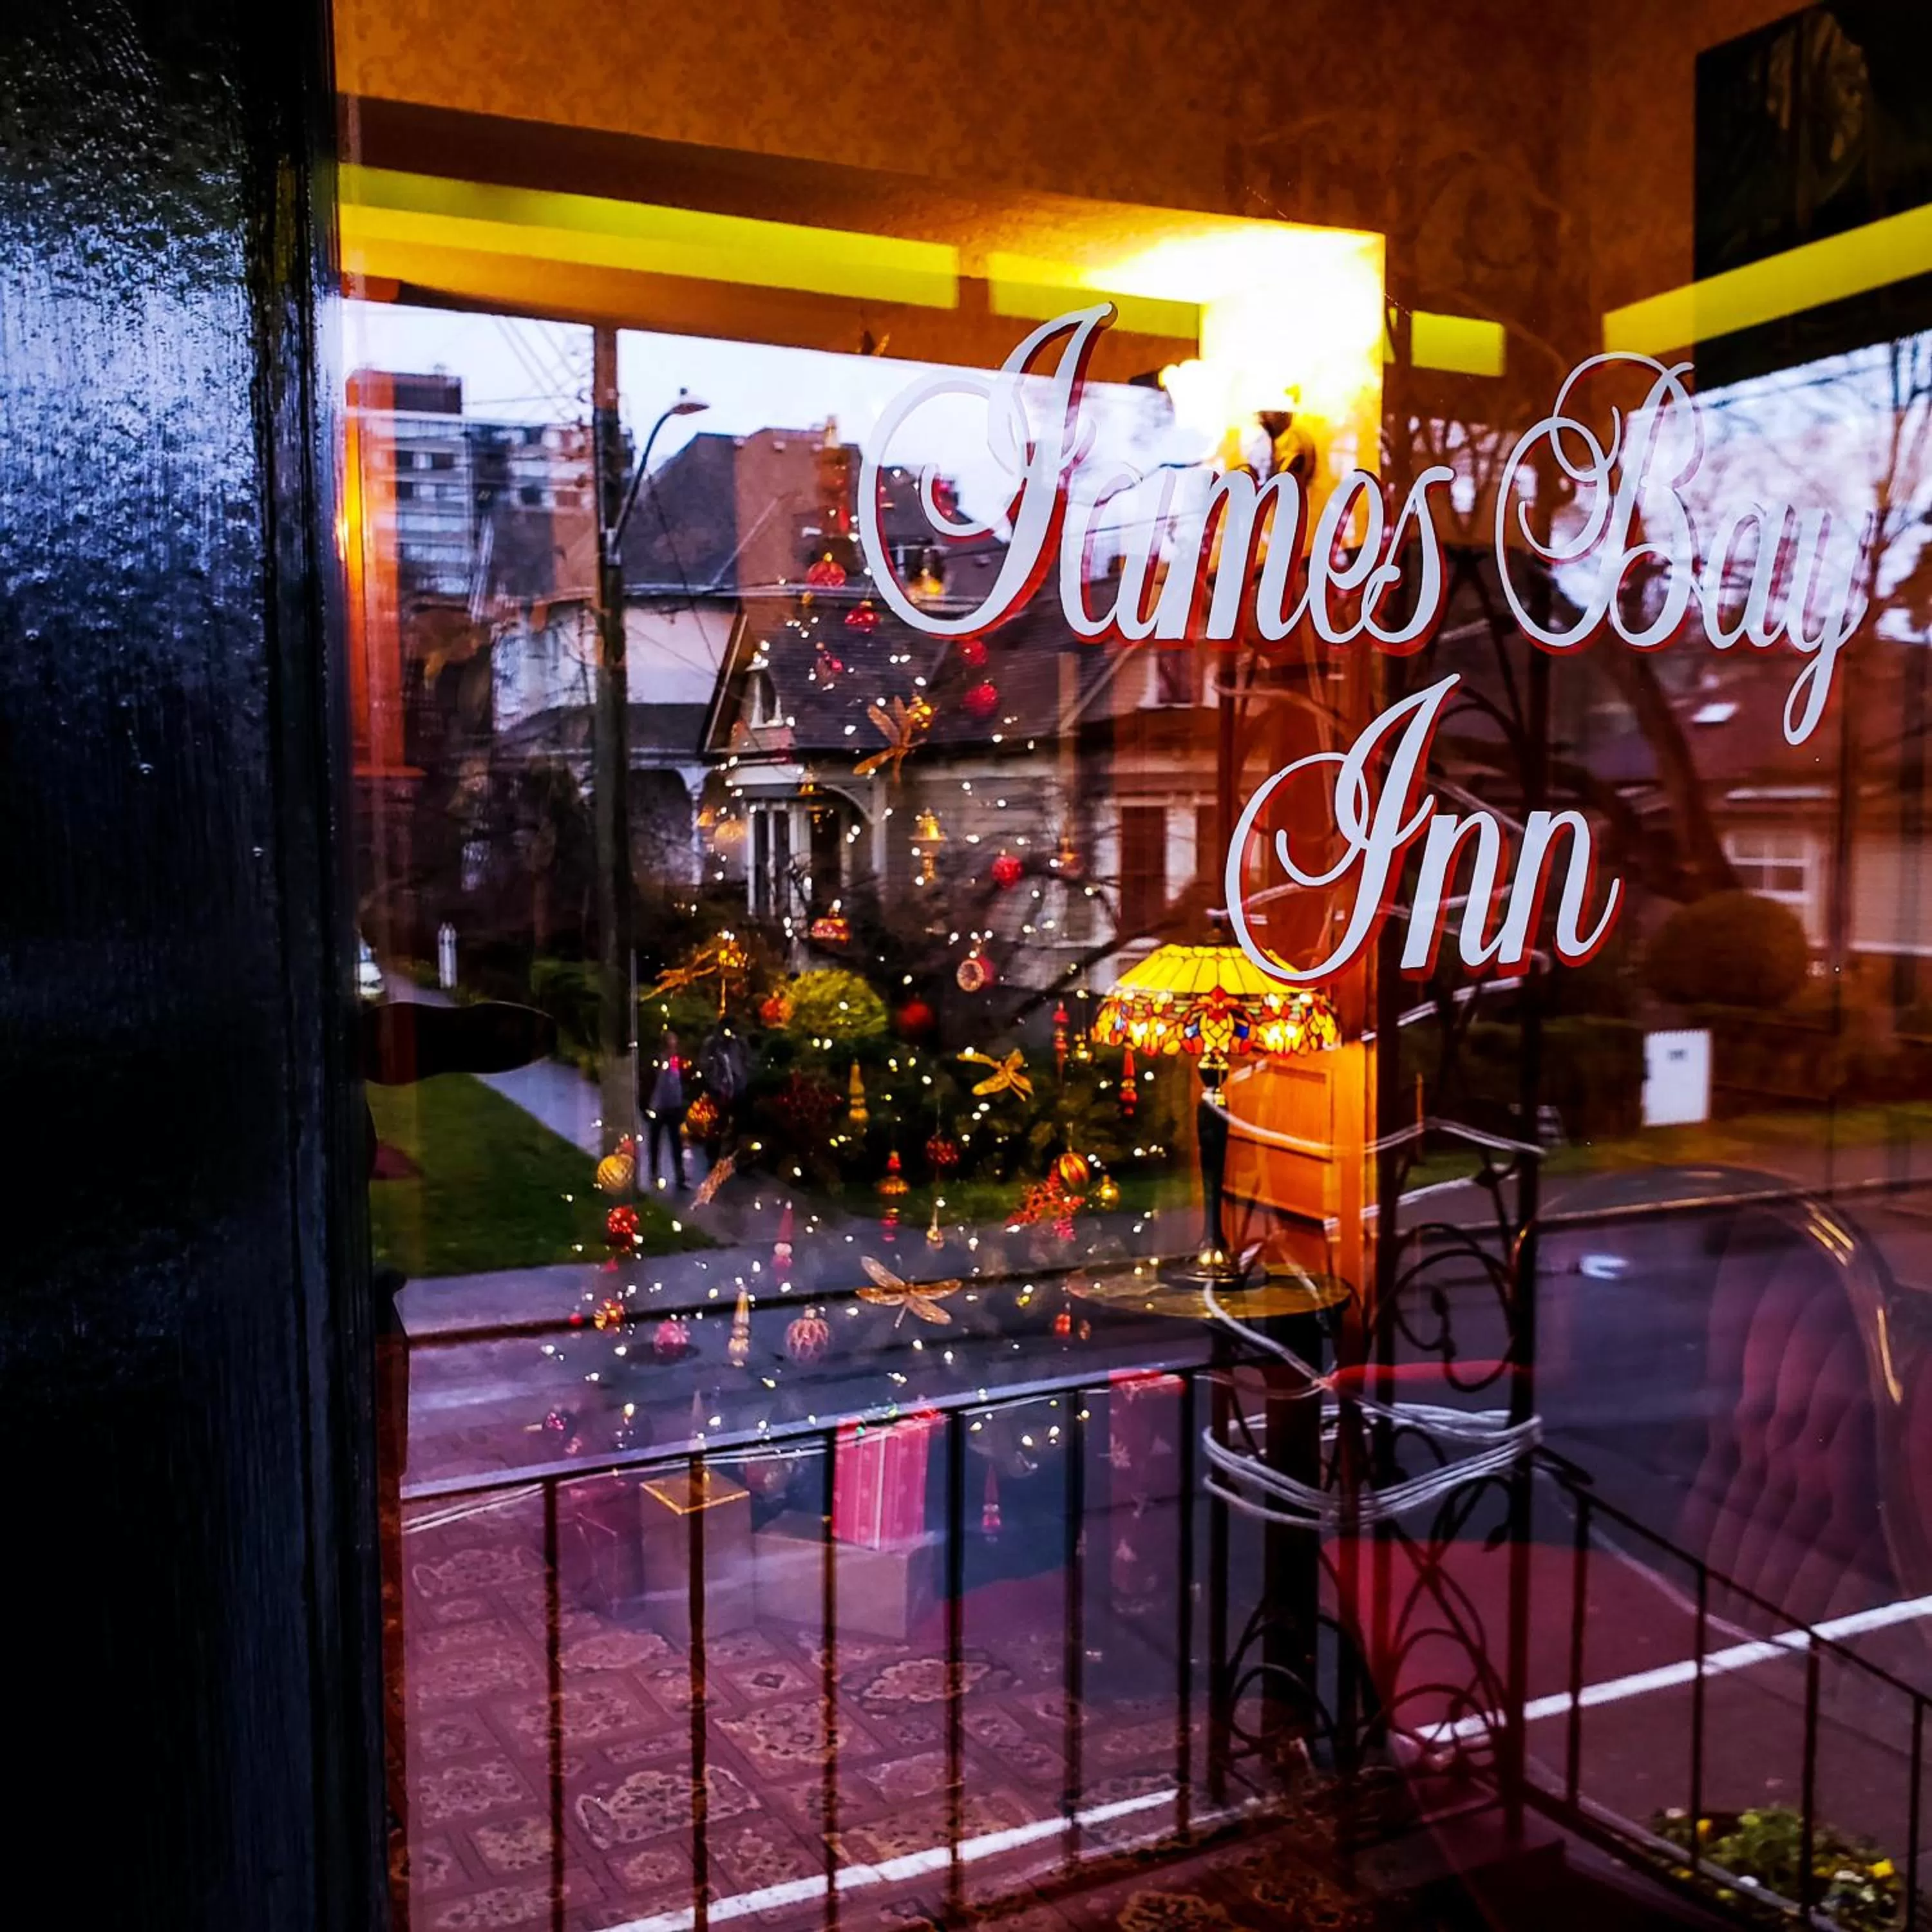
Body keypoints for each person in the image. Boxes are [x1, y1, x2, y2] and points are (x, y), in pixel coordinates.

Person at [646, 1031, 688, 1190]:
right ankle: (654, 1172)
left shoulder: (676, 1061)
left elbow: (676, 1083)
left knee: (676, 1141)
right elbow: (655, 1083)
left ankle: (680, 1175)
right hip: (658, 1107)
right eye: (671, 1044)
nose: (674, 1047)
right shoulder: (658, 1061)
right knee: (655, 1141)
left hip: (673, 1107)